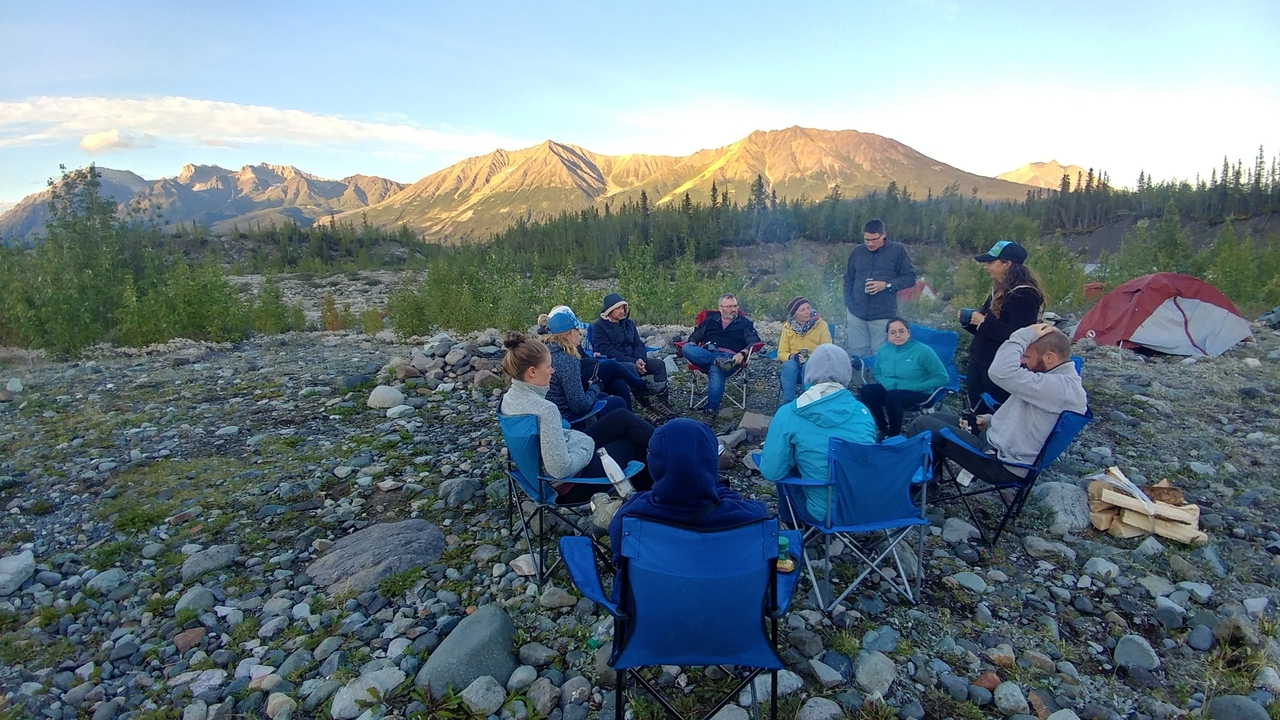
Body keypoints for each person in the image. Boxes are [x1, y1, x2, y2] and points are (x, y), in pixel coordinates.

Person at [907, 324, 1086, 483]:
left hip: (999, 462)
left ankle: (908, 487)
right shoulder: (1055, 382)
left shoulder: (1060, 388)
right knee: (937, 417)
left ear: (1049, 358)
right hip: (998, 444)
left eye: (1027, 355)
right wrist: (988, 420)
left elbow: (999, 372)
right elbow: (1028, 420)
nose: (1022, 361)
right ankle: (929, 480)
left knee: (921, 424)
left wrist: (1023, 335)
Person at [499, 332, 654, 503]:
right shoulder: (545, 410)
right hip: (569, 486)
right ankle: (651, 502)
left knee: (621, 417)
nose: (552, 370)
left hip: (540, 474)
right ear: (532, 372)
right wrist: (586, 444)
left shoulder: (509, 398)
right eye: (549, 366)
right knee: (633, 445)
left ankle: (669, 442)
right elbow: (561, 469)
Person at [608, 418, 767, 567]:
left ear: (654, 465)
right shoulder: (750, 519)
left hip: (653, 595)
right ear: (712, 463)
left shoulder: (630, 518)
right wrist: (713, 484)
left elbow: (620, 560)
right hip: (724, 595)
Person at [758, 344, 878, 519]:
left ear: (809, 372)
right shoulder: (863, 413)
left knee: (786, 460)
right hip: (865, 508)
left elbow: (772, 472)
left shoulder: (790, 412)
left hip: (822, 514)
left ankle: (791, 525)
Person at [960, 240, 1045, 412]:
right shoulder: (999, 290)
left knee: (990, 412)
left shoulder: (1025, 294)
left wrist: (982, 322)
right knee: (975, 409)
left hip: (999, 366)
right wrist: (968, 322)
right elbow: (986, 329)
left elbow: (1019, 335)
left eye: (991, 262)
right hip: (980, 360)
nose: (987, 267)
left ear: (1007, 264)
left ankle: (986, 438)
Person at [859, 318, 950, 437]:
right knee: (866, 391)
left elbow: (942, 377)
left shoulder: (923, 351)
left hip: (918, 392)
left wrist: (918, 386)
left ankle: (894, 434)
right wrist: (886, 383)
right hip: (891, 389)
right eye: (893, 332)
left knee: (893, 397)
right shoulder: (883, 351)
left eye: (901, 331)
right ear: (888, 335)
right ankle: (883, 428)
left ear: (908, 333)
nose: (897, 335)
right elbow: (877, 373)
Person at [842, 219, 916, 360]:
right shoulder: (857, 252)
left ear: (883, 235)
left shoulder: (897, 251)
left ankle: (880, 382)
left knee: (881, 355)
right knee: (857, 356)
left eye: (874, 239)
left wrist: (886, 285)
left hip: (883, 315)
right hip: (856, 314)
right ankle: (860, 382)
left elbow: (910, 278)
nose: (870, 243)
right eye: (866, 239)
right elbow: (848, 279)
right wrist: (849, 303)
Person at [682, 294, 762, 420]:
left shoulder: (744, 323)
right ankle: (718, 360)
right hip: (707, 354)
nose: (733, 309)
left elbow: (754, 341)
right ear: (721, 308)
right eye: (729, 306)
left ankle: (711, 410)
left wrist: (743, 353)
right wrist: (694, 347)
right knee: (686, 347)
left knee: (717, 368)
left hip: (731, 358)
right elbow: (695, 337)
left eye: (735, 306)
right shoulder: (710, 321)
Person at [591, 293, 672, 405]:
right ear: (609, 310)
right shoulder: (599, 327)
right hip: (618, 363)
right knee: (632, 367)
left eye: (623, 307)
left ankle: (663, 402)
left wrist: (640, 359)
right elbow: (606, 350)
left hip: (635, 359)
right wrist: (634, 361)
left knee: (659, 364)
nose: (622, 311)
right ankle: (647, 405)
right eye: (618, 308)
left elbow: (638, 344)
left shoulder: (629, 324)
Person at [777, 296, 832, 404]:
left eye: (808, 308)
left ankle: (807, 401)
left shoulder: (821, 325)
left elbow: (828, 349)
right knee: (789, 365)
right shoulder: (788, 327)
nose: (807, 312)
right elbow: (781, 352)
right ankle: (788, 403)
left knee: (807, 366)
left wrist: (812, 358)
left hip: (816, 364)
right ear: (795, 314)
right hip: (795, 364)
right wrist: (793, 356)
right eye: (802, 310)